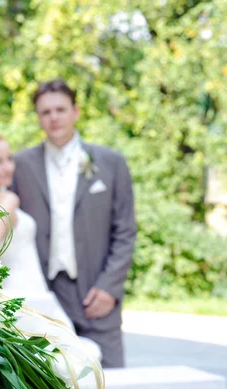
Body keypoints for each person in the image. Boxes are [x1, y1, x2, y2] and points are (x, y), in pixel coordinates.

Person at [10, 79, 137, 368]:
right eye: (45, 112)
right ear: (38, 118)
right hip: (42, 293)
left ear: (75, 112)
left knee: (109, 382)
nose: (53, 117)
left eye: (60, 109)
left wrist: (109, 288)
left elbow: (125, 231)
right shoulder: (20, 165)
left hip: (97, 295)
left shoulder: (111, 163)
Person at [0, 124, 102, 355]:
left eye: (9, 159)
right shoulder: (7, 200)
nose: (8, 167)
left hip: (9, 297)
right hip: (26, 298)